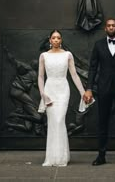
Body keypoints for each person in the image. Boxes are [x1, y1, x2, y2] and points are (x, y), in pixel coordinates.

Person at [83, 18, 115, 166]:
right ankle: (101, 156)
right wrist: (89, 88)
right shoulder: (98, 45)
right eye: (108, 26)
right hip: (103, 88)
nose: (111, 27)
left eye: (113, 25)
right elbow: (93, 68)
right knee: (102, 122)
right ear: (105, 29)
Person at [38, 29, 85, 167]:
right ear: (50, 40)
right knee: (53, 121)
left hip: (63, 89)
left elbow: (74, 75)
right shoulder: (44, 56)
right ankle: (52, 158)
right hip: (49, 90)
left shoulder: (68, 55)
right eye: (54, 38)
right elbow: (40, 76)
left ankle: (62, 157)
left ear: (61, 40)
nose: (56, 40)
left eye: (58, 38)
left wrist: (82, 92)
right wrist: (42, 94)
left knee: (59, 120)